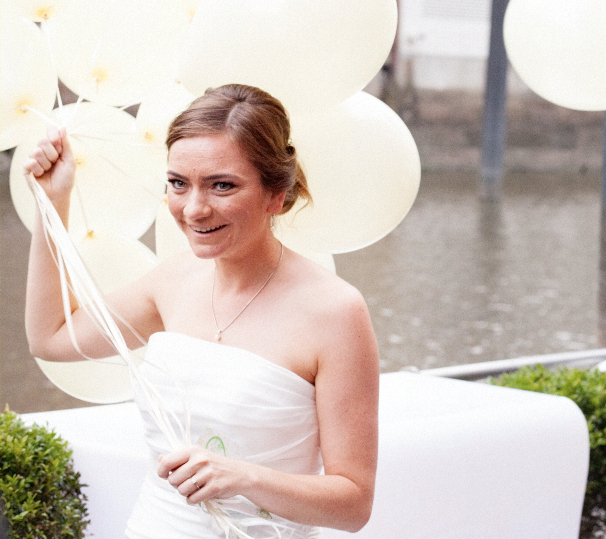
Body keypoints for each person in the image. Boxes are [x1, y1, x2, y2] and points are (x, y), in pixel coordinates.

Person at [23, 84, 380, 538]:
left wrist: (245, 477)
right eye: (178, 183)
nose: (194, 209)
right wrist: (52, 202)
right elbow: (52, 337)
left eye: (222, 185)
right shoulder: (173, 280)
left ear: (276, 194)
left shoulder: (335, 312)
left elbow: (353, 505)